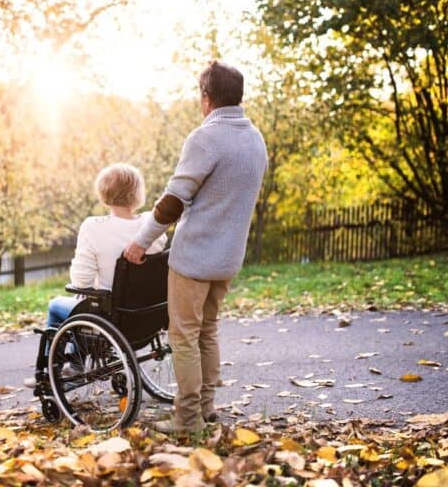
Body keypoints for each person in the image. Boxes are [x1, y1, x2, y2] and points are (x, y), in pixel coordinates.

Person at [124, 60, 267, 433]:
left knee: (183, 336)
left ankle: (187, 421)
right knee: (208, 331)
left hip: (194, 258)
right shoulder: (255, 139)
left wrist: (141, 241)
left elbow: (174, 200)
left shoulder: (205, 138)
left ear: (206, 99)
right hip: (229, 257)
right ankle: (205, 408)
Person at [24, 163, 167, 387]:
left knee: (57, 306)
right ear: (138, 194)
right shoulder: (152, 225)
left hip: (113, 317)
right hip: (149, 316)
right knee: (87, 305)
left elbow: (82, 281)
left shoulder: (93, 227)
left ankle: (58, 370)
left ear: (103, 196)